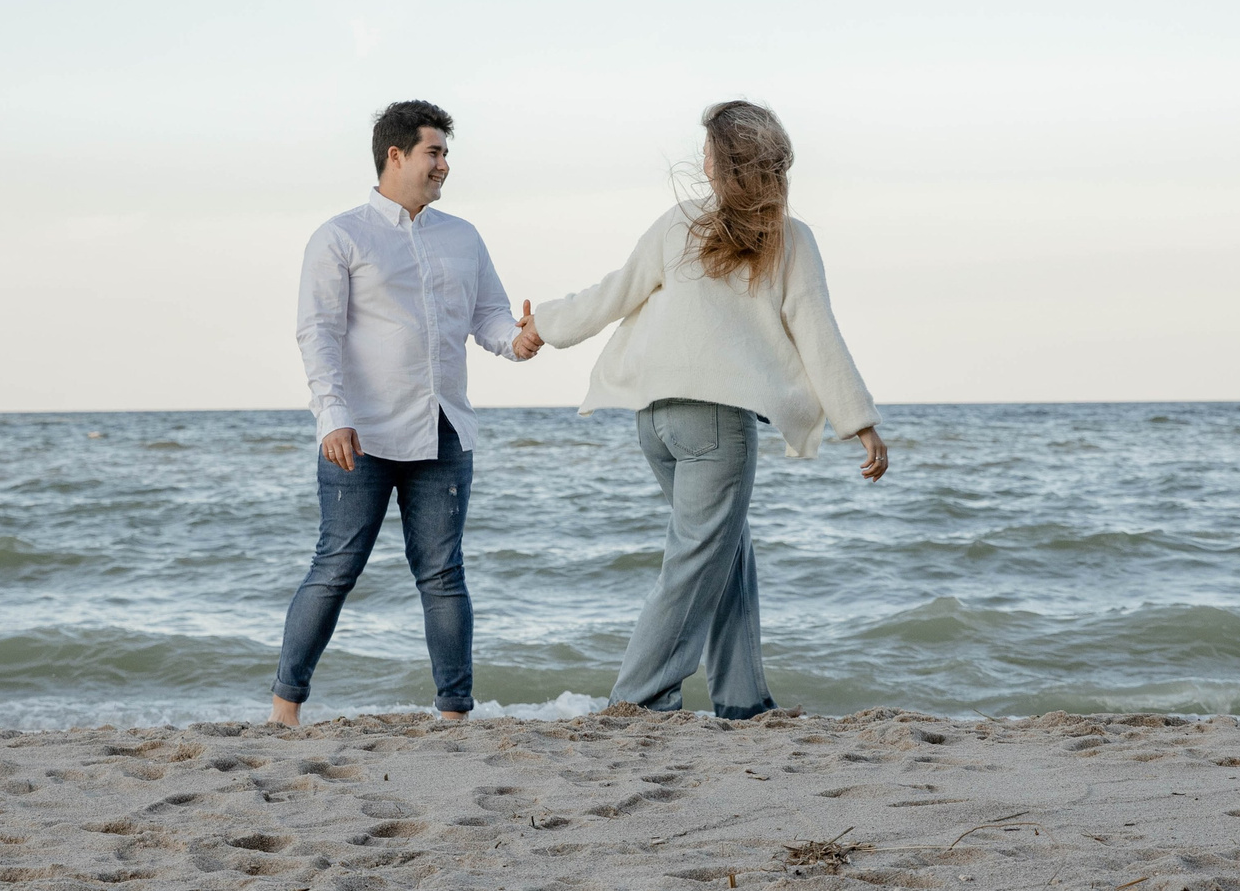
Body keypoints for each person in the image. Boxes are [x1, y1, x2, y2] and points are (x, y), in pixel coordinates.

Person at [517, 100, 886, 720]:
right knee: (695, 561)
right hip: (717, 424)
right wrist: (860, 420)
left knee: (725, 555)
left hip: (655, 419)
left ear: (716, 165)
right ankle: (636, 701)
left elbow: (613, 293)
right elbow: (816, 330)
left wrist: (543, 325)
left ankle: (744, 701)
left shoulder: (679, 223)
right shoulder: (789, 239)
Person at [272, 100, 538, 727]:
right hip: (359, 435)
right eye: (434, 152)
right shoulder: (341, 236)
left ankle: (454, 718)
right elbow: (318, 334)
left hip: (444, 428)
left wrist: (520, 339)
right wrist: (332, 416)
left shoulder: (463, 236)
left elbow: (488, 316)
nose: (445, 164)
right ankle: (284, 710)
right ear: (396, 155)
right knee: (335, 568)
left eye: (445, 153)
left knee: (443, 574)